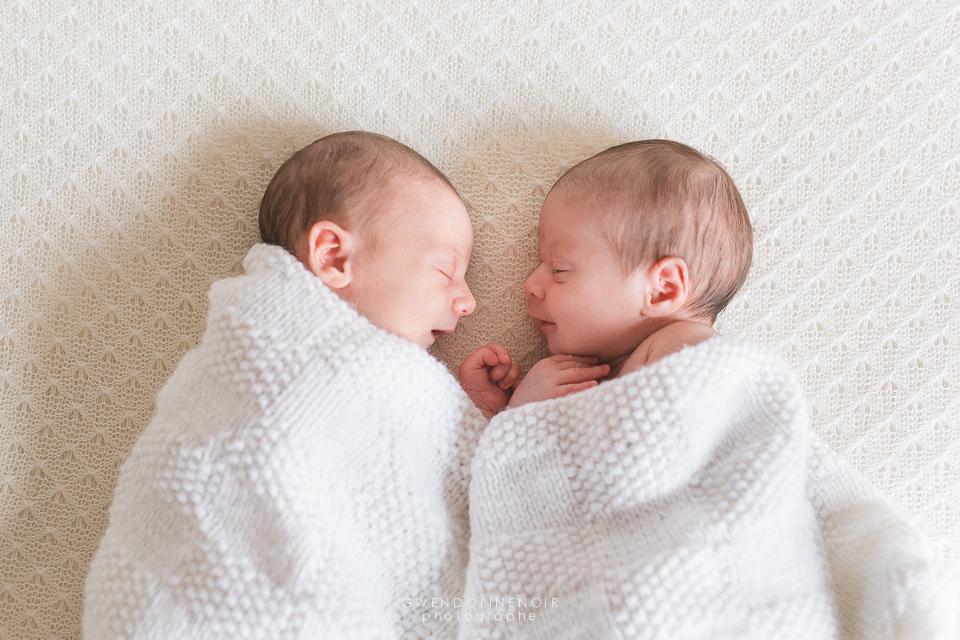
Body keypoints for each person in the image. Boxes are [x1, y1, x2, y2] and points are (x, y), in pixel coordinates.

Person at [458, 140, 956, 639]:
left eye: (559, 269)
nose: (531, 283)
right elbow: (557, 497)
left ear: (664, 289)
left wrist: (528, 419)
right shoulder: (615, 371)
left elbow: (640, 467)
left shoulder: (688, 353)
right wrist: (508, 415)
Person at [84, 131, 490, 639]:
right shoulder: (265, 344)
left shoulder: (389, 379)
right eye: (447, 270)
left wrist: (466, 411)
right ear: (334, 257)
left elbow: (412, 484)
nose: (467, 300)